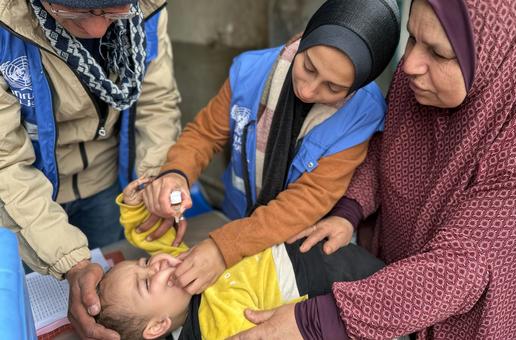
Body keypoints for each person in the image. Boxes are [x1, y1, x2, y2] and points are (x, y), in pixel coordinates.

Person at [227, 0, 516, 339]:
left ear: (503, 57)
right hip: (390, 292)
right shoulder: (416, 82)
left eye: (439, 53)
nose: (411, 63)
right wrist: (350, 209)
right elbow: (388, 147)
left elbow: (456, 270)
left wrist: (317, 320)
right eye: (412, 38)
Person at [139, 0, 401, 298]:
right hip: (235, 215)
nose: (308, 90)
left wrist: (224, 247)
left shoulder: (362, 115)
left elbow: (305, 202)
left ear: (358, 85)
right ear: (303, 39)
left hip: (295, 248)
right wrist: (176, 174)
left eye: (333, 88)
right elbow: (204, 134)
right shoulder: (250, 72)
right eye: (308, 67)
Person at [0, 0, 181, 338]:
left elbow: (157, 106)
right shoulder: (5, 25)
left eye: (115, 11)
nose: (97, 29)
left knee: (113, 304)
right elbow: (5, 163)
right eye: (75, 13)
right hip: (22, 197)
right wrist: (70, 262)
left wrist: (153, 183)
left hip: (107, 182)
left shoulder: (148, 9)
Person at [95, 177, 385, 340]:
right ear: (158, 326)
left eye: (143, 263)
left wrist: (135, 207)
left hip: (320, 250)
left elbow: (152, 237)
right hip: (332, 284)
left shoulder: (184, 267)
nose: (155, 265)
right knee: (390, 305)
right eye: (147, 283)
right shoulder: (214, 328)